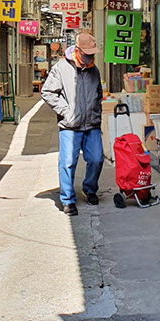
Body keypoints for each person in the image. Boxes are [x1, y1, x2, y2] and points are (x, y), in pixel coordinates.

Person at [41, 33, 104, 216]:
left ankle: (89, 189)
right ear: (77, 51)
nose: (90, 58)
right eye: (87, 54)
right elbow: (47, 92)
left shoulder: (94, 70)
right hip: (70, 125)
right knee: (68, 162)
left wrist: (96, 113)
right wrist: (66, 111)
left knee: (97, 159)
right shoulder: (61, 68)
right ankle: (68, 199)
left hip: (91, 123)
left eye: (92, 54)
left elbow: (98, 94)